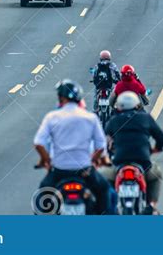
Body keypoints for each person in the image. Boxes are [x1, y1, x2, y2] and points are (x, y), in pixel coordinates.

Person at [33, 79, 110, 215]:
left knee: (42, 198)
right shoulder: (90, 117)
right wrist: (92, 160)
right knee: (104, 191)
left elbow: (39, 142)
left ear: (60, 98)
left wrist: (47, 160)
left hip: (59, 171)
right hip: (84, 171)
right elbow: (101, 145)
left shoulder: (52, 117)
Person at [101, 92, 163, 214]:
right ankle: (152, 205)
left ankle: (109, 206)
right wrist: (156, 148)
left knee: (103, 176)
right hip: (143, 162)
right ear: (137, 105)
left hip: (119, 162)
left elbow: (103, 139)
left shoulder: (114, 121)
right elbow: (161, 138)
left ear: (119, 106)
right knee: (156, 174)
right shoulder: (145, 118)